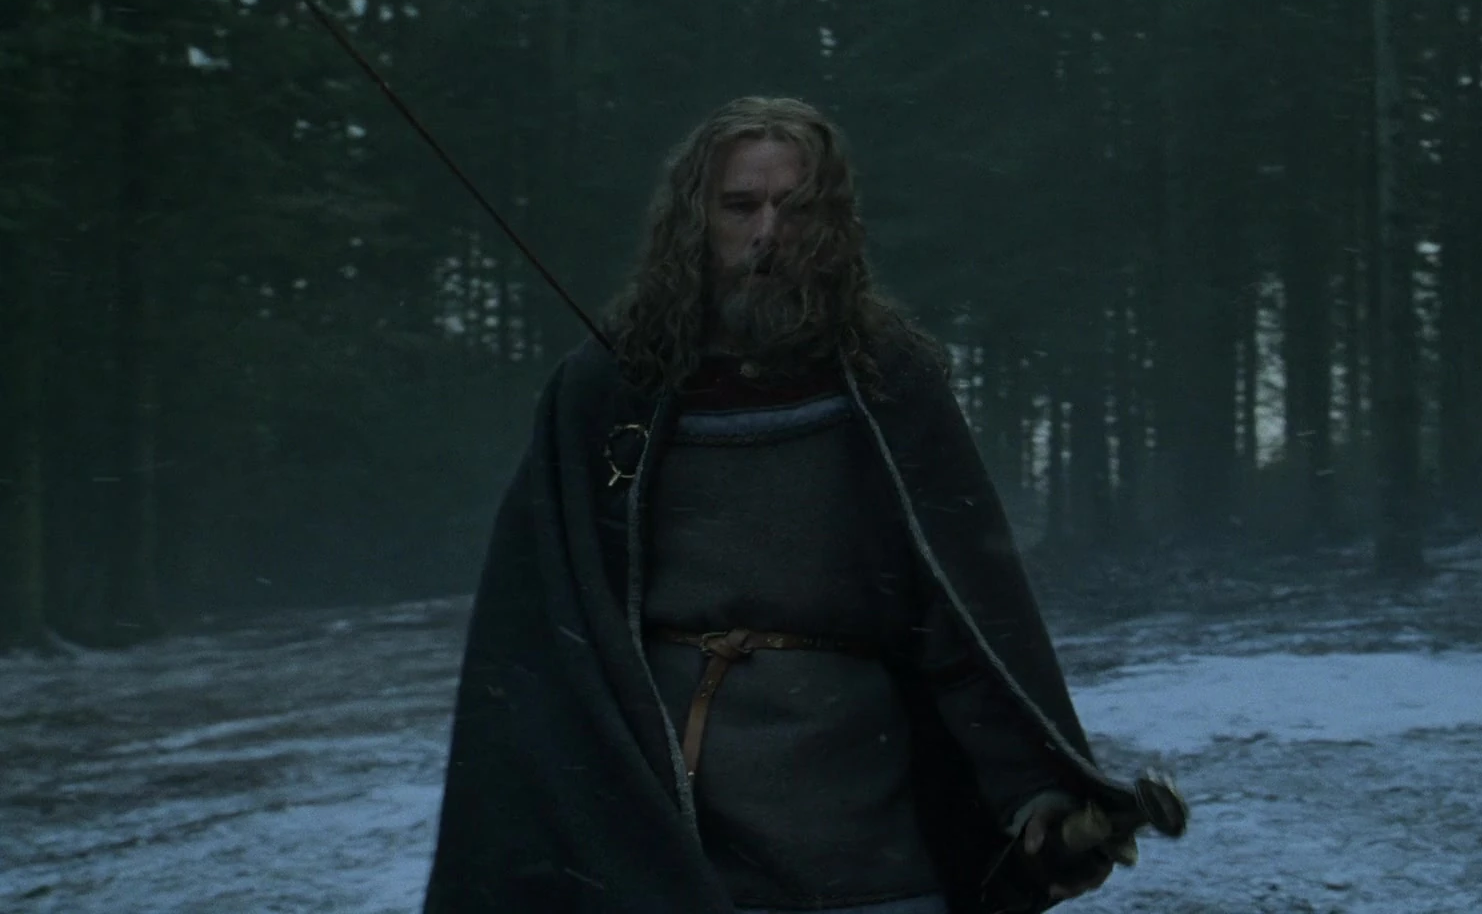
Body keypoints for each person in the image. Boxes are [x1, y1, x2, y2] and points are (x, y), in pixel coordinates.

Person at [421, 96, 1143, 914]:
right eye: (740, 207)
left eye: (794, 209)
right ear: (695, 222)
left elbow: (962, 615)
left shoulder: (888, 384)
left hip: (865, 817)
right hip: (669, 827)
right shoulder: (609, 387)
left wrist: (1033, 790)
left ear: (830, 226)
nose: (768, 233)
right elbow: (541, 632)